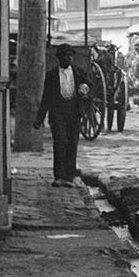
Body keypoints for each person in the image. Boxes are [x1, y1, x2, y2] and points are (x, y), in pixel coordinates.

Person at [33, 43, 89, 187]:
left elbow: (90, 85)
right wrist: (39, 119)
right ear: (59, 58)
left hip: (74, 112)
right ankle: (59, 176)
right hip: (57, 112)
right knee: (60, 142)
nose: (68, 58)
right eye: (65, 56)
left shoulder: (79, 72)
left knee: (72, 143)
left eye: (70, 56)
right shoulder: (51, 75)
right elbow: (46, 98)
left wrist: (85, 89)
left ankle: (69, 175)